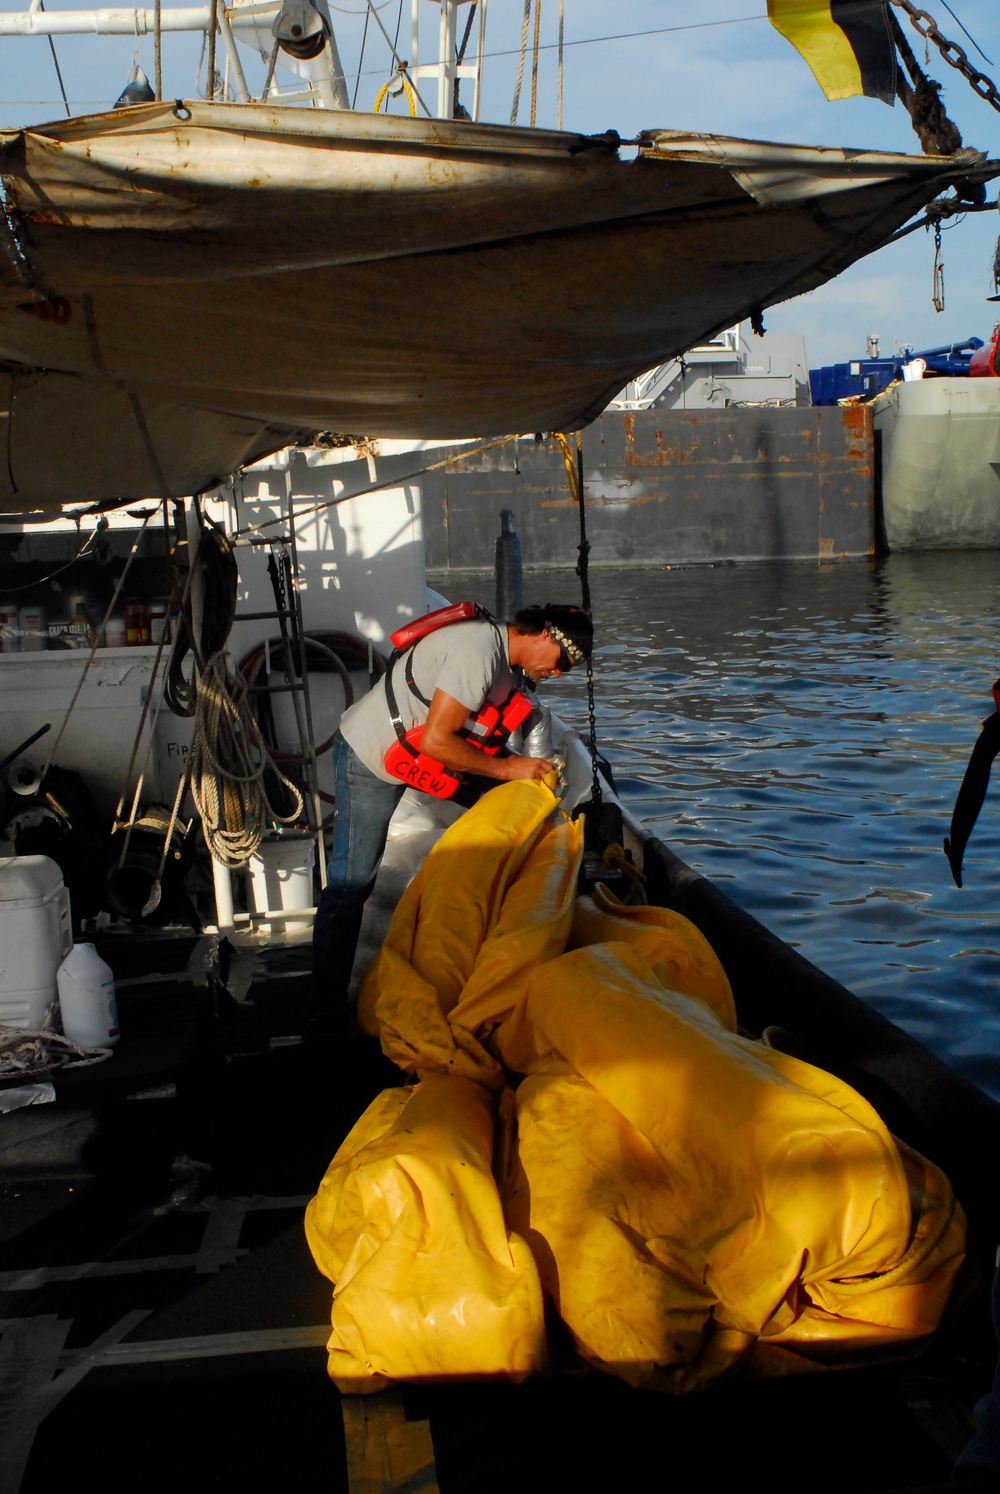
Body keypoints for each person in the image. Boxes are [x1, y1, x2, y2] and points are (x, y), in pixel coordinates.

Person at [310, 602, 593, 1020]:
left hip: (425, 755)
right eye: (561, 663)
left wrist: (519, 777)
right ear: (544, 636)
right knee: (352, 883)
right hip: (370, 758)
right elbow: (437, 742)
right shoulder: (476, 652)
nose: (557, 674)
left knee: (515, 813)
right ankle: (325, 1009)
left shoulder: (510, 666)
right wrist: (509, 768)